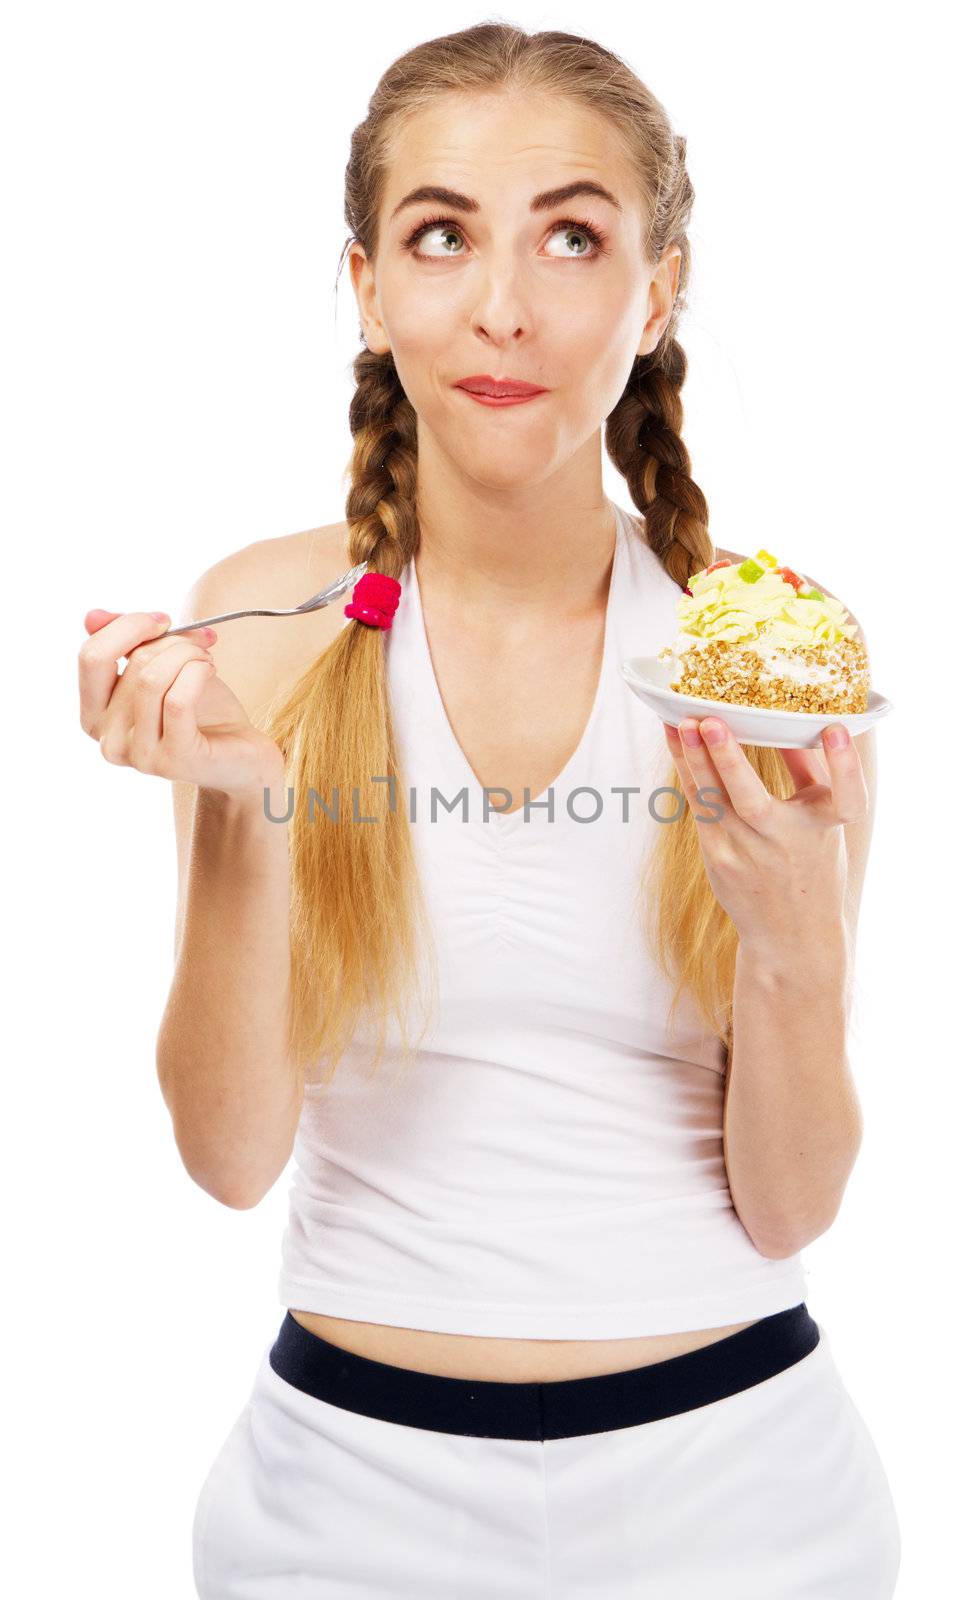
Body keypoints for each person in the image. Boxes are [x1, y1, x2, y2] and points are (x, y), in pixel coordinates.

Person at [78, 22, 901, 1599]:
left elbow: (794, 1200)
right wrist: (248, 817)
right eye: (441, 235)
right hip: (344, 1503)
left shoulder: (764, 651)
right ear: (369, 288)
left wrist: (797, 946)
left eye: (572, 237)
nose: (503, 306)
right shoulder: (265, 623)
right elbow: (229, 1156)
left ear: (657, 296)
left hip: (744, 1506)